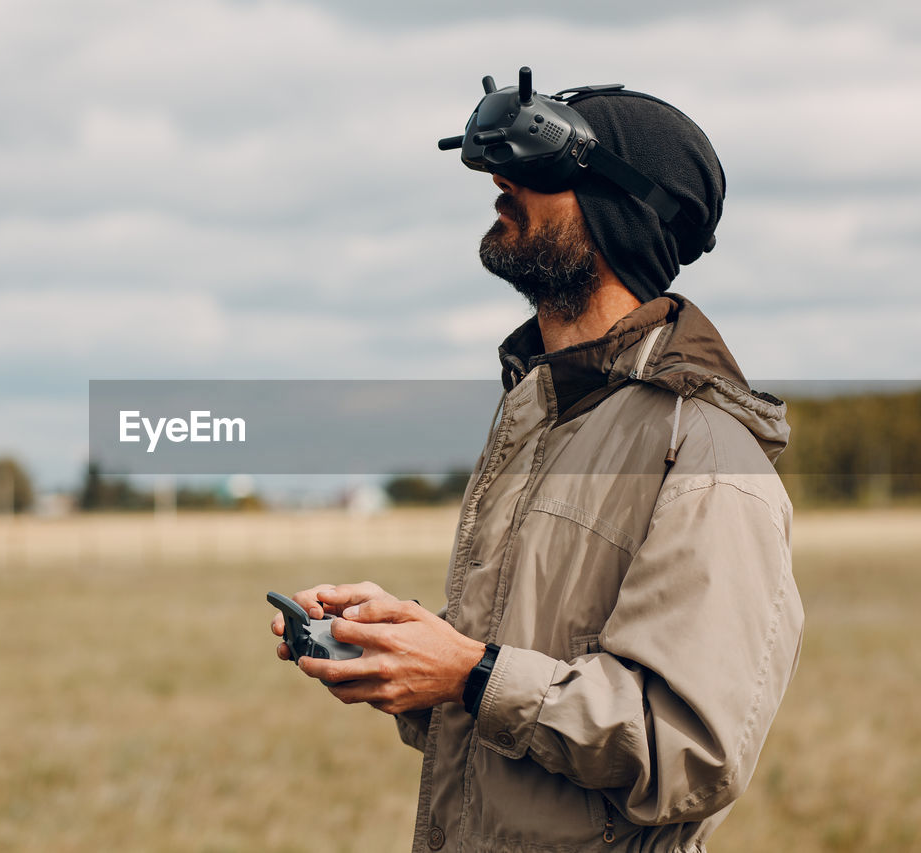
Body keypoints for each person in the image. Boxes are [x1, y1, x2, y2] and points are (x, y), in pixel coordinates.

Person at [271, 83, 804, 851]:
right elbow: (512, 684)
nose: (500, 182)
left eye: (541, 161)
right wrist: (403, 648)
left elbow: (691, 748)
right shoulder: (543, 419)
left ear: (622, 212)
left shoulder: (706, 450)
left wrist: (467, 674)